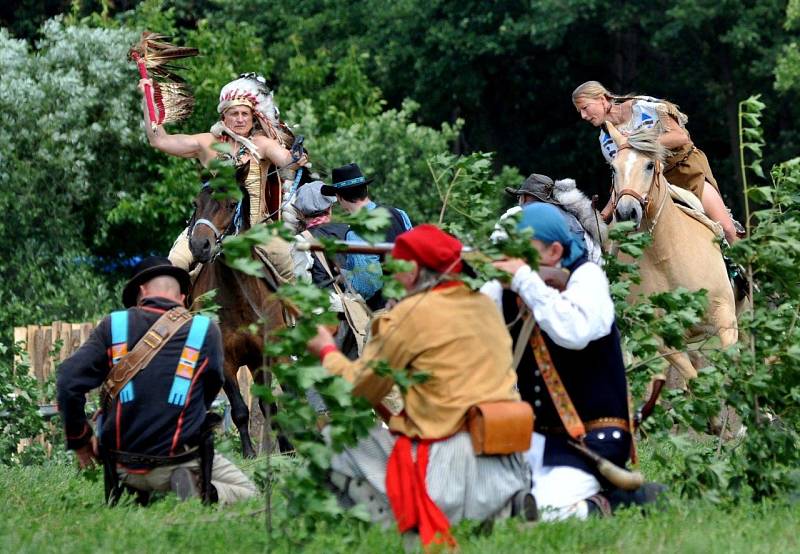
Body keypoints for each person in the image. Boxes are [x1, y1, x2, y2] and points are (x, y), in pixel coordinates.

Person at [306, 224, 533, 548]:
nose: (391, 276)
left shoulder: (404, 317)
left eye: (396, 266)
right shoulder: (484, 305)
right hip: (510, 462)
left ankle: (397, 526)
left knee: (334, 440)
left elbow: (360, 391)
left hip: (449, 471)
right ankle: (502, 505)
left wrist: (328, 352)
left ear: (412, 271)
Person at [482, 203, 662, 520]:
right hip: (537, 438)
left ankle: (610, 503)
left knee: (545, 513)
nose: (513, 262)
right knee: (483, 503)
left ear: (554, 251)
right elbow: (471, 326)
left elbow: (573, 331)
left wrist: (524, 278)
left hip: (593, 440)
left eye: (522, 252)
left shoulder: (588, 278)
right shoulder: (512, 288)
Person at [56, 256, 257, 505]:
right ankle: (198, 489)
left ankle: (141, 490)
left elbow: (67, 381)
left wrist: (80, 439)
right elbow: (212, 384)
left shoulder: (113, 324)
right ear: (183, 298)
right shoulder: (205, 330)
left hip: (122, 465)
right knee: (248, 493)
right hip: (180, 459)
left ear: (140, 292)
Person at [138, 72, 306, 280]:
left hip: (258, 229)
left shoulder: (261, 144)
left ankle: (291, 313)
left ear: (253, 116)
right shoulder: (207, 142)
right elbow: (159, 141)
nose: (240, 119)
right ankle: (177, 309)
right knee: (176, 262)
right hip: (210, 222)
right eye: (233, 113)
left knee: (289, 267)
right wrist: (148, 101)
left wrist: (296, 157)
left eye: (245, 113)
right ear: (223, 117)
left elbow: (285, 159)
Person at [572, 80, 741, 244]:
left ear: (602, 99)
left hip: (685, 171)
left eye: (585, 108)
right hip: (650, 185)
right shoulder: (606, 141)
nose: (583, 116)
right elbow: (624, 178)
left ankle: (742, 269)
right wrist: (603, 215)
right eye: (579, 111)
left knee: (726, 228)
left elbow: (681, 137)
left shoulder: (646, 107)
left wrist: (633, 143)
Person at [291, 181, 381, 358]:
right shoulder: (350, 231)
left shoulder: (301, 241)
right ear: (330, 208)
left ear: (301, 213)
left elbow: (301, 287)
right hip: (356, 314)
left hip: (325, 318)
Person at [321, 163, 413, 310]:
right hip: (415, 298)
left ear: (339, 197)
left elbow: (367, 286)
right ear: (366, 189)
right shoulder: (399, 213)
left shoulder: (357, 233)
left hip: (388, 310)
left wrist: (345, 277)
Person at [500, 173, 607, 264]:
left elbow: (496, 247)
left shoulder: (513, 214)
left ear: (523, 197)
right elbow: (597, 261)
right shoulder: (576, 222)